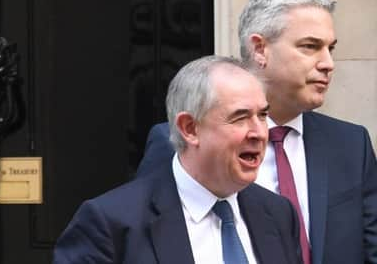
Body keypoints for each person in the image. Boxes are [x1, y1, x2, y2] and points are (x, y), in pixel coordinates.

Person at [136, 0, 377, 264]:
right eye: (310, 47)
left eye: (330, 49)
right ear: (260, 49)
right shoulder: (181, 141)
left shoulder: (350, 143)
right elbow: (149, 242)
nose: (328, 63)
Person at [53, 56, 302, 264]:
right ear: (190, 128)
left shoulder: (278, 213)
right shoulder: (110, 223)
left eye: (262, 115)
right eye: (240, 117)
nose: (259, 132)